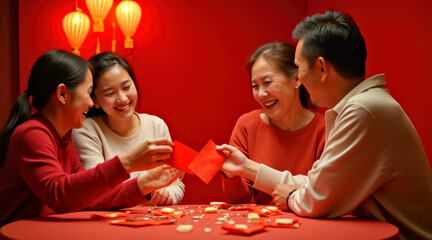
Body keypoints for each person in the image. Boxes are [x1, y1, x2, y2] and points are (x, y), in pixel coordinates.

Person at [219, 10, 432, 240]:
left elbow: (317, 198)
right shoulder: (363, 105)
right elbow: (319, 184)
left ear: (321, 68)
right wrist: (246, 168)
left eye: (299, 68)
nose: (261, 93)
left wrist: (291, 197)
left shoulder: (361, 111)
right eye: (255, 85)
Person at [0, 49, 182, 226]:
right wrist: (127, 162)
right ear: (62, 94)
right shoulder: (32, 134)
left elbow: (89, 198)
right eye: (88, 93)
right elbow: (59, 194)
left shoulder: (65, 143)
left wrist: (143, 184)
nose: (90, 103)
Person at [72, 52, 185, 206]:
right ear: (95, 100)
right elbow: (95, 190)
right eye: (110, 93)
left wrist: (168, 195)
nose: (123, 99)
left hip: (153, 221)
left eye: (126, 87)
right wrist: (144, 187)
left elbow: (175, 181)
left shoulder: (156, 125)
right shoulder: (86, 131)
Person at [220, 41, 326, 205]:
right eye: (255, 86)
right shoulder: (246, 125)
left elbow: (326, 191)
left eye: (268, 82)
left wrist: (247, 168)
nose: (261, 94)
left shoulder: (325, 128)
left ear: (297, 79)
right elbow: (239, 199)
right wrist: (230, 174)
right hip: (265, 227)